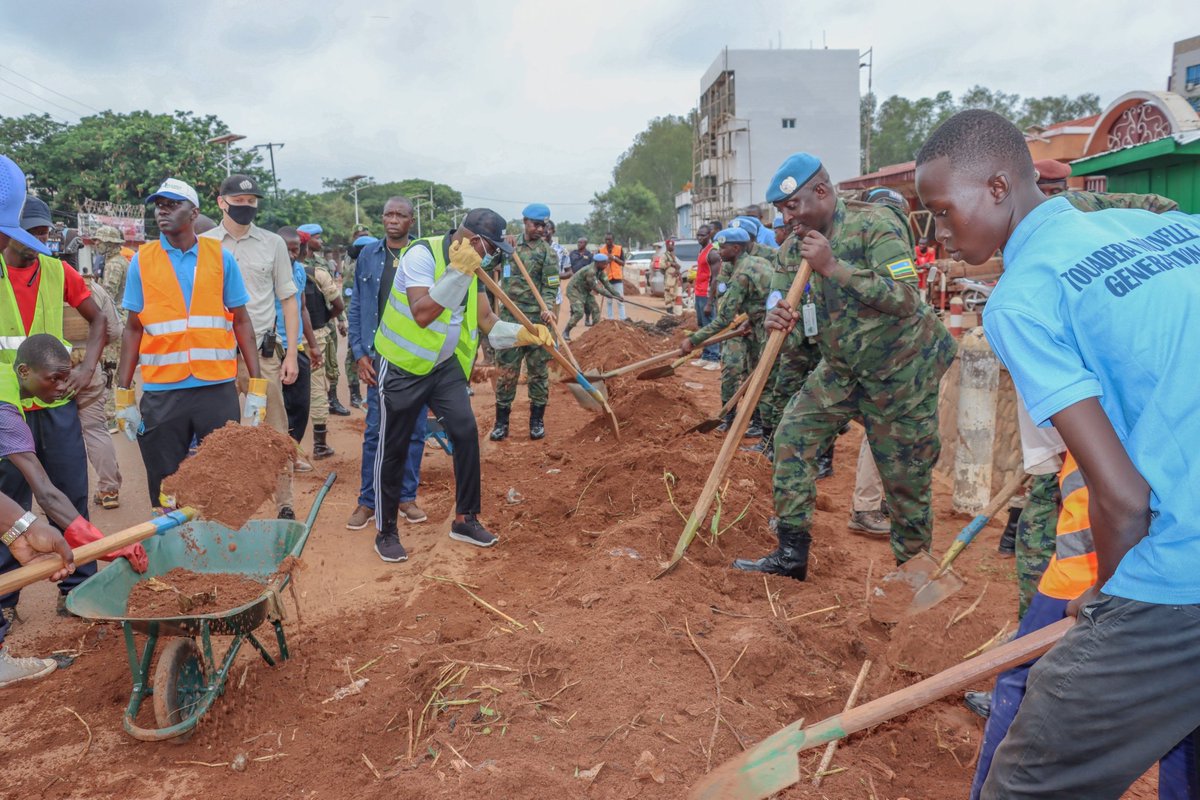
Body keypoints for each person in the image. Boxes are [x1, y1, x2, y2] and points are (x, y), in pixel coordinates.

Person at [915, 108, 1200, 798]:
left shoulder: (1022, 296)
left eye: (943, 211)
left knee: (1028, 783)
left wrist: (1110, 599)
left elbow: (1123, 497)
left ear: (996, 186)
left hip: (1180, 568)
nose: (939, 232)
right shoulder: (1171, 228)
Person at [735, 153, 956, 580]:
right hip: (843, 369)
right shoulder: (793, 246)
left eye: (792, 205)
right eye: (781, 210)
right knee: (791, 437)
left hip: (901, 373)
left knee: (905, 484)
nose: (787, 217)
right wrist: (774, 314)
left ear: (822, 192)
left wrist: (833, 267)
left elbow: (907, 297)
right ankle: (791, 554)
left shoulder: (874, 225)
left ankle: (913, 580)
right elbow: (779, 295)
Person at [371, 208, 552, 562]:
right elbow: (423, 313)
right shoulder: (422, 255)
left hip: (444, 368)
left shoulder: (475, 268)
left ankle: (465, 518)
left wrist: (525, 335)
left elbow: (486, 320)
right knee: (394, 446)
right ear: (474, 241)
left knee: (466, 432)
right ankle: (386, 531)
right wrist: (459, 271)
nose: (493, 255)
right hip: (403, 368)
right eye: (491, 248)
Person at [1, 335, 146, 685]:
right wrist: (111, 548)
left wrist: (17, 529)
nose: (64, 386)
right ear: (24, 371)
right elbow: (48, 495)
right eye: (55, 378)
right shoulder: (6, 411)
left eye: (67, 377)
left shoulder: (7, 381)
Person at [116, 178, 264, 513]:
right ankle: (173, 552)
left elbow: (241, 321)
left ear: (194, 212)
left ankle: (220, 552)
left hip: (215, 390)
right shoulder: (143, 260)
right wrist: (123, 394)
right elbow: (132, 329)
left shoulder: (220, 258)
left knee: (222, 478)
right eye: (159, 204)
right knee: (166, 483)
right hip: (162, 393)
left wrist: (256, 387)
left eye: (172, 204)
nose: (162, 210)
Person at [0, 193, 108, 611]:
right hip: (8, 407)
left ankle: (78, 589)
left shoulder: (58, 272)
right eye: (32, 231)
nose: (41, 238)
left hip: (53, 404)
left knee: (70, 492)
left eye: (46, 231)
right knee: (10, 504)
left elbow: (98, 318)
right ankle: (6, 599)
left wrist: (84, 372)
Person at [201, 174, 300, 519]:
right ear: (221, 202)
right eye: (238, 202)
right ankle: (223, 505)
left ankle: (285, 502)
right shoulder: (204, 244)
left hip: (263, 353)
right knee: (219, 434)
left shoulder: (272, 244)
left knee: (273, 429)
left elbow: (288, 299)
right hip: (216, 356)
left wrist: (291, 354)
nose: (246, 207)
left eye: (251, 202)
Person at [346, 197, 428, 530]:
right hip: (378, 357)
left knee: (415, 431)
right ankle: (368, 501)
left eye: (400, 215)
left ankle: (406, 497)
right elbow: (357, 307)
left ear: (411, 220)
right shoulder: (368, 255)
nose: (392, 220)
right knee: (376, 432)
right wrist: (358, 352)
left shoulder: (423, 256)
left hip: (415, 359)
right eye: (388, 214)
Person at [680, 227, 768, 432]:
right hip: (756, 325)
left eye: (723, 247)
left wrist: (693, 340)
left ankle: (749, 423)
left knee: (752, 373)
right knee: (753, 372)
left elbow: (723, 319)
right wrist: (750, 320)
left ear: (736, 248)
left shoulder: (742, 273)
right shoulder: (755, 262)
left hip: (765, 330)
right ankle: (753, 422)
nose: (719, 251)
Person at [490, 203, 558, 442]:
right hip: (510, 320)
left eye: (544, 225)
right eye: (536, 224)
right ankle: (501, 423)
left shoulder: (548, 253)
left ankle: (537, 421)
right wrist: (496, 248)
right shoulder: (508, 245)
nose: (540, 229)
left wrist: (547, 308)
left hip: (536, 323)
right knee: (507, 372)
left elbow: (550, 287)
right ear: (524, 222)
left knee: (538, 373)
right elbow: (486, 266)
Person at [74, 259, 124, 508]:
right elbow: (114, 331)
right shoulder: (91, 288)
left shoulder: (26, 280)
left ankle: (62, 499)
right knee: (94, 430)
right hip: (88, 370)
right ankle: (108, 490)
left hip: (41, 377)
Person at [274, 227, 323, 468]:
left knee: (300, 406)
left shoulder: (300, 273)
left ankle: (290, 454)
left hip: (296, 347)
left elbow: (302, 308)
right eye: (287, 250)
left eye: (296, 250)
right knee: (274, 409)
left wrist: (313, 345)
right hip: (271, 348)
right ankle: (272, 459)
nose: (293, 255)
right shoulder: (266, 273)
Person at [298, 229, 344, 460]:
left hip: (285, 340)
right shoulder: (318, 273)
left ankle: (288, 446)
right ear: (305, 250)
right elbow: (339, 305)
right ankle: (319, 445)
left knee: (286, 391)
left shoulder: (275, 273)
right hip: (316, 336)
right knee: (317, 389)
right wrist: (326, 319)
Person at [299, 224, 351, 418]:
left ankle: (333, 399)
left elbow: (335, 298)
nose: (321, 241)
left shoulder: (323, 263)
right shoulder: (292, 262)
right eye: (317, 237)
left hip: (324, 322)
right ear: (307, 240)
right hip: (304, 323)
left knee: (330, 364)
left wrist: (340, 320)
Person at [564, 253, 621, 341]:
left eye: (606, 263)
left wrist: (618, 295)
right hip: (574, 290)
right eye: (604, 263)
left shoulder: (600, 271)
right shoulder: (591, 271)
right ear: (597, 263)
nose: (606, 265)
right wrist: (609, 295)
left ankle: (595, 332)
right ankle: (566, 331)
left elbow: (607, 285)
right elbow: (596, 288)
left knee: (595, 309)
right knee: (579, 312)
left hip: (585, 290)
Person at [690, 224, 721, 367]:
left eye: (702, 235)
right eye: (698, 235)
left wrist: (710, 302)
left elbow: (715, 279)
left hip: (707, 295)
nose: (699, 238)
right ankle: (706, 354)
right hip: (699, 293)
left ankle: (714, 357)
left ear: (709, 236)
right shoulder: (701, 250)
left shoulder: (712, 253)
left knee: (710, 325)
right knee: (703, 326)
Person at [95, 225, 130, 318]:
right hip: (122, 314)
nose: (96, 243)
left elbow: (108, 296)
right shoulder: (118, 260)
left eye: (100, 241)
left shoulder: (114, 264)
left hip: (117, 316)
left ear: (110, 244)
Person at [598, 232, 626, 321]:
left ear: (613, 240)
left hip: (617, 278)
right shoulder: (601, 250)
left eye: (609, 239)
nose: (607, 241)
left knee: (620, 300)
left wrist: (614, 258)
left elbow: (623, 263)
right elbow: (599, 266)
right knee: (609, 301)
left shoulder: (619, 249)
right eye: (606, 239)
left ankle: (622, 319)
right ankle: (610, 319)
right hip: (606, 279)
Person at [660, 238, 682, 314]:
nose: (672, 246)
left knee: (674, 294)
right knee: (668, 293)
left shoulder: (673, 255)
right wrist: (671, 264)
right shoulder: (665, 255)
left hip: (674, 278)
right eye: (670, 245)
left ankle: (672, 310)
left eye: (673, 245)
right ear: (667, 246)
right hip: (669, 278)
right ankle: (669, 310)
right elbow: (661, 265)